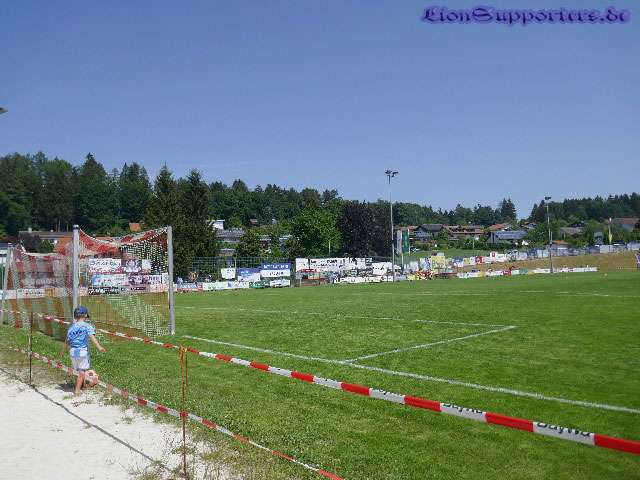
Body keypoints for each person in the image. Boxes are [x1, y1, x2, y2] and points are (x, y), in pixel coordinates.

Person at [60, 306, 106, 395]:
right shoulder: (87, 326)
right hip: (82, 352)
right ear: (85, 315)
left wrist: (62, 351)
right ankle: (77, 390)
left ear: (75, 316)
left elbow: (67, 341)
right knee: (81, 371)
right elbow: (91, 336)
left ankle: (78, 386)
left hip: (72, 351)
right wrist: (99, 347)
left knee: (76, 370)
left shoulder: (71, 328)